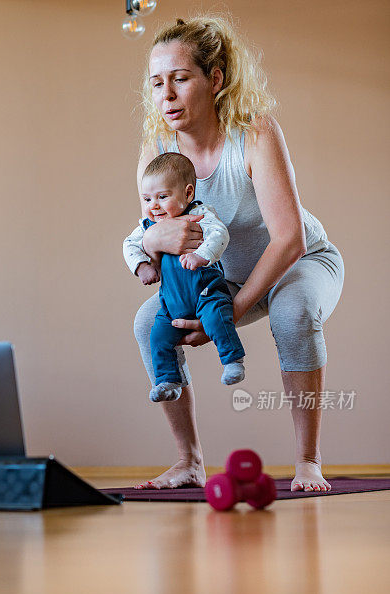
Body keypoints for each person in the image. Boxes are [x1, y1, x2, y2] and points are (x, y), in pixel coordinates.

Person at [131, 15, 344, 492]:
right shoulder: (156, 150)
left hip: (303, 261)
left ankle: (308, 461)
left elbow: (289, 239)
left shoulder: (254, 132)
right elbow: (157, 237)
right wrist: (149, 243)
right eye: (157, 83)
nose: (166, 95)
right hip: (221, 275)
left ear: (216, 79)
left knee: (292, 311)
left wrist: (227, 314)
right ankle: (188, 460)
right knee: (149, 322)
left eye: (181, 79)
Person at [123, 152, 246, 401]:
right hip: (171, 302)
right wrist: (142, 266)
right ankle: (168, 380)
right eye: (147, 199)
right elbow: (129, 244)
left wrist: (202, 255)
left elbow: (219, 234)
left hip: (206, 291)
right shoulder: (148, 225)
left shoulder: (201, 214)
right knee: (157, 335)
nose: (153, 206)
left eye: (162, 197)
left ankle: (233, 361)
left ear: (188, 194)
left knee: (217, 318)